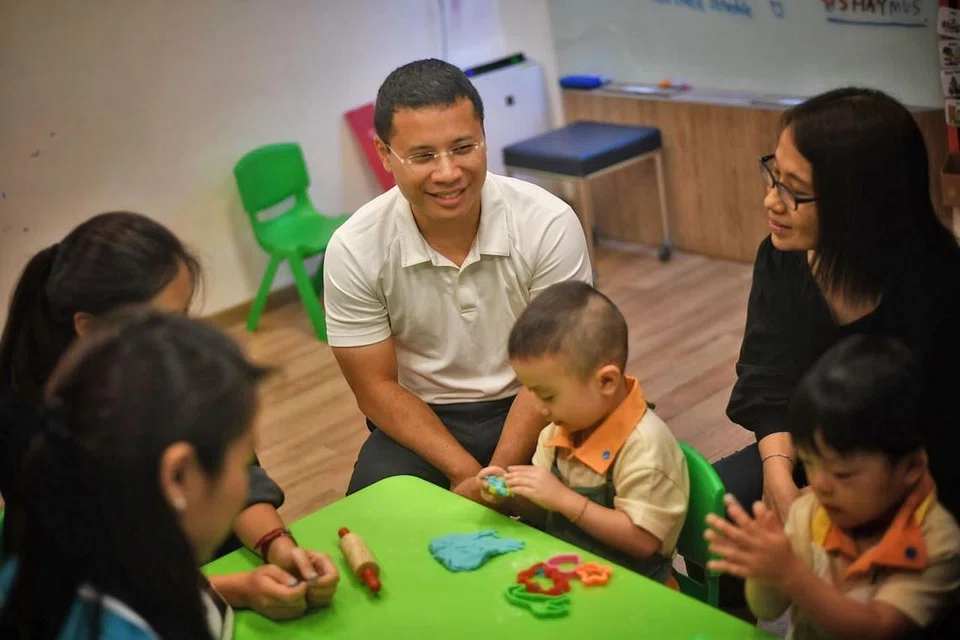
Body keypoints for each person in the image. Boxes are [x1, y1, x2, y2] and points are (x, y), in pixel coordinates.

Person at [0, 211, 331, 619]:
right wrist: (231, 591)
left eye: (185, 315)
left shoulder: (175, 369)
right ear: (89, 328)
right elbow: (83, 581)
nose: (183, 339)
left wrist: (279, 546)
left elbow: (239, 475)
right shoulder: (30, 428)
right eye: (162, 324)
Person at [324, 59, 592, 501]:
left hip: (545, 403)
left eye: (463, 147)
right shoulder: (355, 247)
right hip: (423, 421)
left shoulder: (547, 223)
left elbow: (560, 365)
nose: (448, 173)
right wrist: (466, 472)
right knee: (378, 526)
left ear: (485, 137)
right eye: (423, 156)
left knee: (600, 523)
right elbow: (375, 388)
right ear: (385, 155)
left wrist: (497, 475)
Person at [717, 87, 960, 526]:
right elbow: (768, 379)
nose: (771, 201)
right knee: (719, 510)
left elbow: (939, 443)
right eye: (774, 175)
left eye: (795, 191)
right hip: (811, 455)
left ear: (860, 205)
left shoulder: (940, 288)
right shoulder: (783, 257)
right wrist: (778, 476)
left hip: (911, 486)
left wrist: (844, 500)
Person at [706, 335, 960, 639]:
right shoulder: (811, 513)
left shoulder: (936, 542)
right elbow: (767, 609)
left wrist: (792, 574)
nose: (820, 485)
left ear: (910, 468)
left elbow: (878, 628)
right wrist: (765, 570)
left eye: (843, 474)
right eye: (811, 464)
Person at [476, 282, 688, 585]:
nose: (537, 408)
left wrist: (563, 498)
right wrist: (511, 497)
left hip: (638, 591)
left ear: (606, 382)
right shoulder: (557, 431)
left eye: (547, 396)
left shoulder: (646, 448)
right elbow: (549, 514)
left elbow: (643, 541)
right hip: (571, 574)